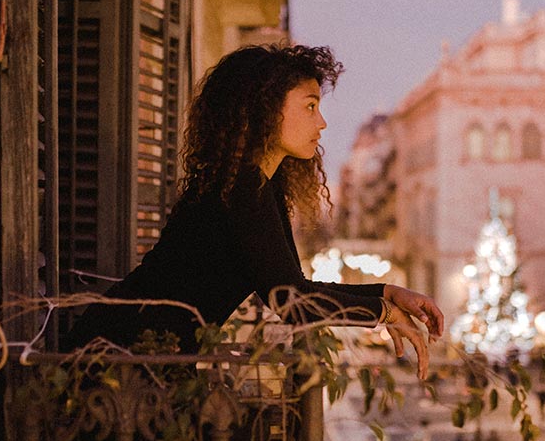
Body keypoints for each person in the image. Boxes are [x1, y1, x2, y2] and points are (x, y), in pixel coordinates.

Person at [63, 44, 444, 380]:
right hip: (118, 360)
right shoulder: (242, 187)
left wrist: (388, 293)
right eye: (310, 106)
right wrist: (384, 312)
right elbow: (292, 302)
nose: (322, 122)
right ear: (264, 111)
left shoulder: (259, 183)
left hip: (143, 360)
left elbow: (294, 288)